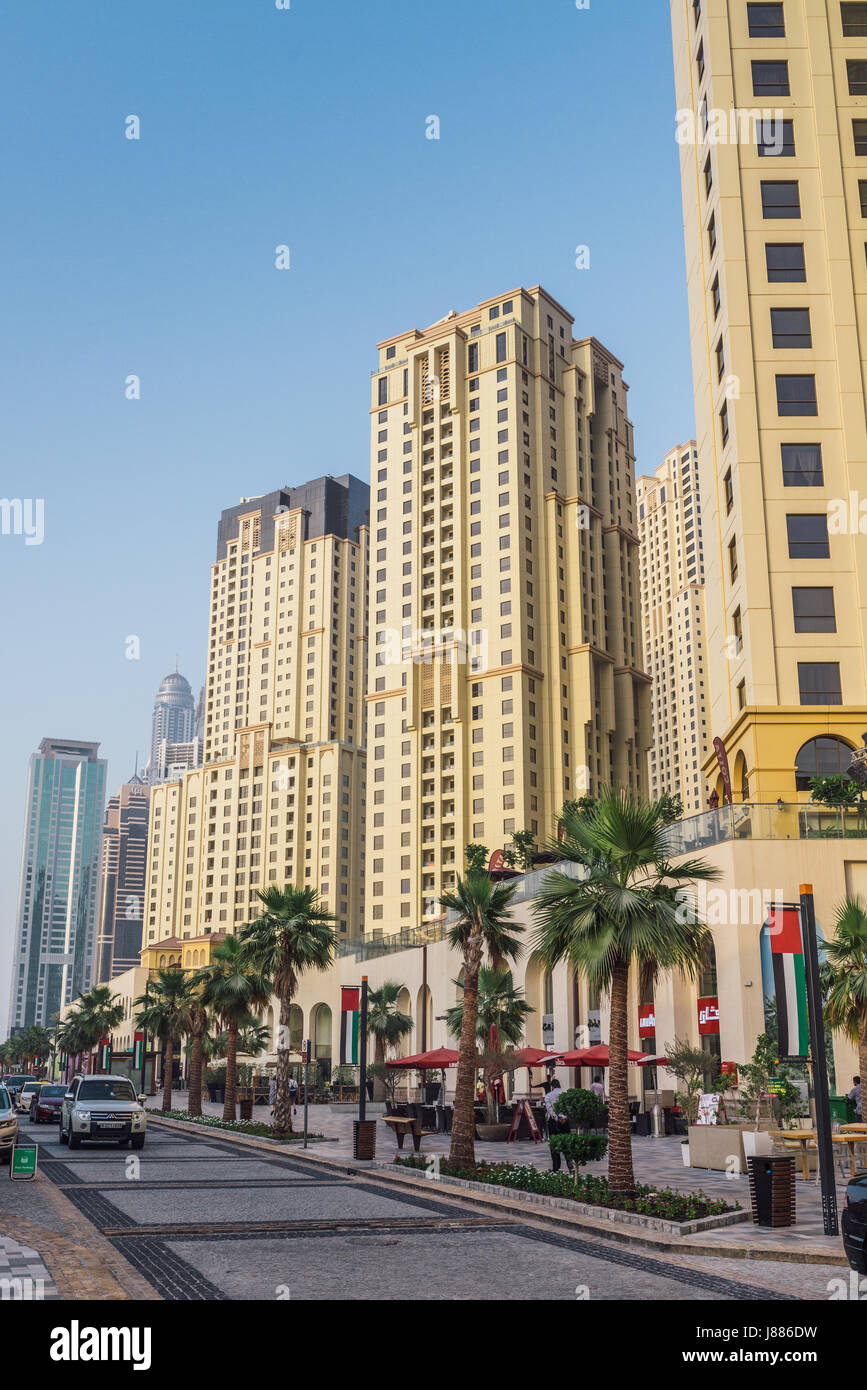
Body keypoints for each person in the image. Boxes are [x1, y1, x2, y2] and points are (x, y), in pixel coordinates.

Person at [544, 1078, 569, 1170]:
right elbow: (568, 1107)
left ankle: (556, 1168)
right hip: (565, 1122)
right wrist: (564, 1118)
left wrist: (557, 1118)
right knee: (567, 1144)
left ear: (552, 1086)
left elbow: (549, 1108)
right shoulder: (565, 1094)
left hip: (554, 1123)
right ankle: (571, 1168)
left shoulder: (548, 1095)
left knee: (554, 1146)